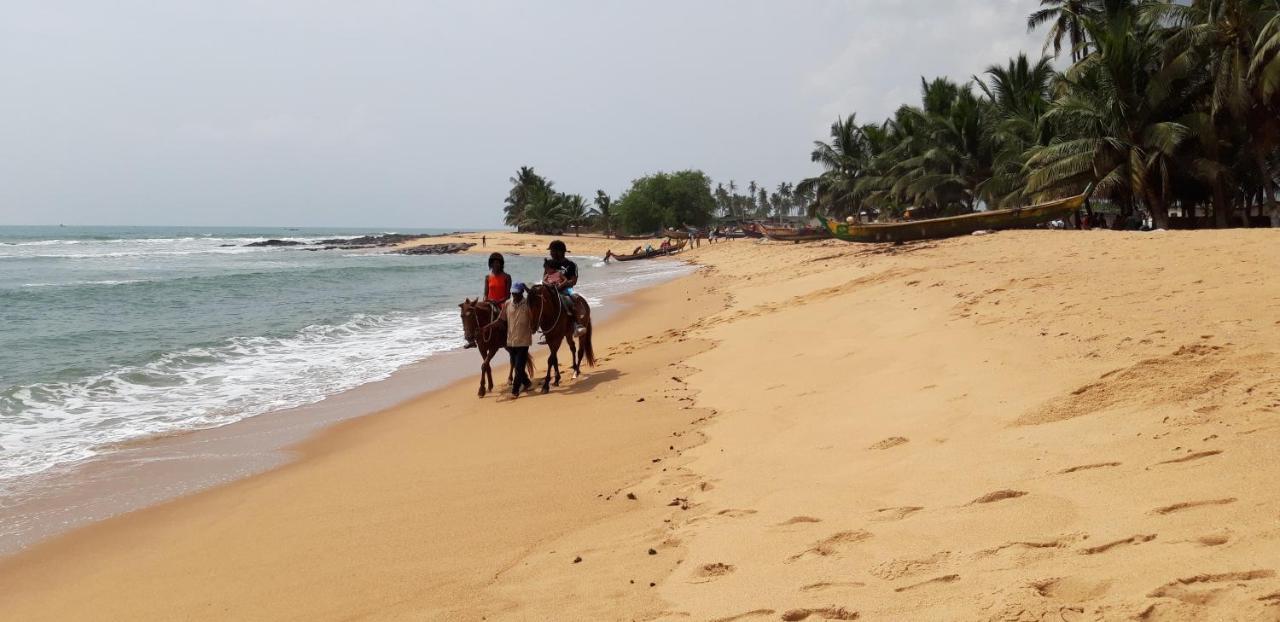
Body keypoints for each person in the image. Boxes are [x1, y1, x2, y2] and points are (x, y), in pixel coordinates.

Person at [542, 240, 585, 336]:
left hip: (565, 290)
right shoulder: (549, 264)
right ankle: (543, 328)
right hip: (551, 289)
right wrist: (548, 285)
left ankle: (577, 324)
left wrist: (562, 284)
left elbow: (573, 281)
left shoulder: (571, 265)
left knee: (571, 302)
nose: (551, 253)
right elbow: (545, 277)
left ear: (560, 251)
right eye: (551, 251)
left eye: (552, 251)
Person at [504, 282, 534, 397]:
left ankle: (515, 391)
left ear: (522, 293)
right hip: (511, 341)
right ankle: (527, 383)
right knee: (517, 365)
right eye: (512, 293)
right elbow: (501, 320)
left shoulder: (528, 304)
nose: (514, 296)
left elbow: (533, 320)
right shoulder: (507, 304)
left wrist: (534, 328)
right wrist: (488, 327)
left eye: (516, 293)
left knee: (519, 367)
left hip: (523, 340)